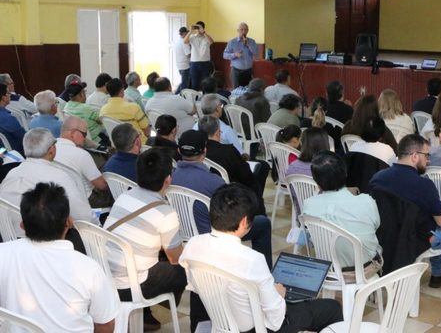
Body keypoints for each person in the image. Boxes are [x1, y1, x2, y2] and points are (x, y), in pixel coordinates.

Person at [179, 183, 343, 333]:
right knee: (332, 308)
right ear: (244, 222)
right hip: (255, 328)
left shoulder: (193, 244)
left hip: (220, 323)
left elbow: (194, 286)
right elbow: (276, 320)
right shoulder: (251, 259)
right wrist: (279, 295)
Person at [104, 148, 208, 331]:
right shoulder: (165, 213)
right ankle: (194, 324)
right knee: (191, 269)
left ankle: (146, 316)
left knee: (158, 258)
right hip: (131, 285)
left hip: (106, 276)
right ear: (168, 179)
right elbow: (176, 259)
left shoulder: (124, 196)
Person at [0, 182, 118, 332]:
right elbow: (106, 325)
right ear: (69, 222)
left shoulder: (3, 254)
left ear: (22, 225)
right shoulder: (89, 269)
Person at [171, 129, 273, 267]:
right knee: (263, 223)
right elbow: (230, 212)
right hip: (213, 234)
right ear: (205, 151)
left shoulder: (169, 178)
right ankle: (264, 271)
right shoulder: (213, 181)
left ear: (179, 151)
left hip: (181, 233)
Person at [369, 134, 441, 288]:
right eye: (426, 155)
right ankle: (440, 272)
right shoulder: (424, 185)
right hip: (414, 240)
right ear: (414, 156)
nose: (429, 160)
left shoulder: (377, 178)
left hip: (382, 237)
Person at [0, 128, 95, 237]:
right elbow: (83, 217)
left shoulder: (12, 173)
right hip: (45, 239)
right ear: (52, 150)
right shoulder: (58, 176)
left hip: (9, 236)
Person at [303, 151, 380, 267]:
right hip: (364, 269)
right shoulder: (367, 201)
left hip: (328, 268)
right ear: (345, 174)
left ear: (317, 182)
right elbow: (376, 226)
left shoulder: (309, 204)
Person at [199, 116, 270, 216]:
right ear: (217, 132)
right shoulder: (228, 151)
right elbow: (246, 175)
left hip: (207, 188)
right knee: (255, 178)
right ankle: (258, 213)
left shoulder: (198, 151)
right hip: (230, 190)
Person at [55, 116, 110, 206]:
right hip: (88, 200)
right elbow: (102, 185)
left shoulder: (51, 150)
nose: (85, 139)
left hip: (63, 200)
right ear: (73, 133)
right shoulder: (81, 154)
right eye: (84, 134)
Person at [100, 77, 151, 144]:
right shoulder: (133, 107)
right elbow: (147, 132)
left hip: (118, 145)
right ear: (122, 91)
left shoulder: (103, 110)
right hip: (138, 145)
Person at [64, 82, 109, 146]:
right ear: (81, 94)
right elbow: (101, 120)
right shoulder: (85, 108)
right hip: (96, 139)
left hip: (79, 139)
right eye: (84, 92)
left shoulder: (66, 106)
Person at [236, 78, 271, 158]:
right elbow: (267, 120)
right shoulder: (262, 101)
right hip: (253, 132)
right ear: (261, 89)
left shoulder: (239, 98)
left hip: (239, 130)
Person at [223, 22, 258, 88]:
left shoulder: (252, 41)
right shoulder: (232, 42)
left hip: (248, 71)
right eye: (241, 29)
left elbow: (256, 53)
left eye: (245, 29)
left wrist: (248, 44)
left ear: (248, 31)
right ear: (238, 31)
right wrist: (234, 55)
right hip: (236, 71)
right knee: (236, 90)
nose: (243, 31)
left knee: (249, 91)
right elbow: (225, 55)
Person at [185, 21, 214, 90]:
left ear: (203, 28)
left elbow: (211, 42)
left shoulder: (206, 37)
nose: (198, 29)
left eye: (199, 27)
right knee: (195, 83)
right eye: (197, 27)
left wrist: (204, 32)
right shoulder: (192, 37)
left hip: (205, 63)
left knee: (206, 84)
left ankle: (205, 99)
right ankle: (195, 99)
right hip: (194, 63)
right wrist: (190, 31)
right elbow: (185, 41)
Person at [0, 83, 26, 154]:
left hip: (2, 153)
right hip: (15, 156)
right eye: (8, 93)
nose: (10, 95)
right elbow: (25, 139)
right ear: (3, 97)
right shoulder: (8, 119)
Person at [175, 26, 191, 94]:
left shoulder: (178, 41)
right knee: (185, 85)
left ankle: (175, 94)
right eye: (187, 33)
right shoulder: (185, 42)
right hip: (185, 66)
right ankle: (181, 98)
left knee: (183, 82)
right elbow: (188, 54)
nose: (188, 35)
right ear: (184, 33)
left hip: (180, 65)